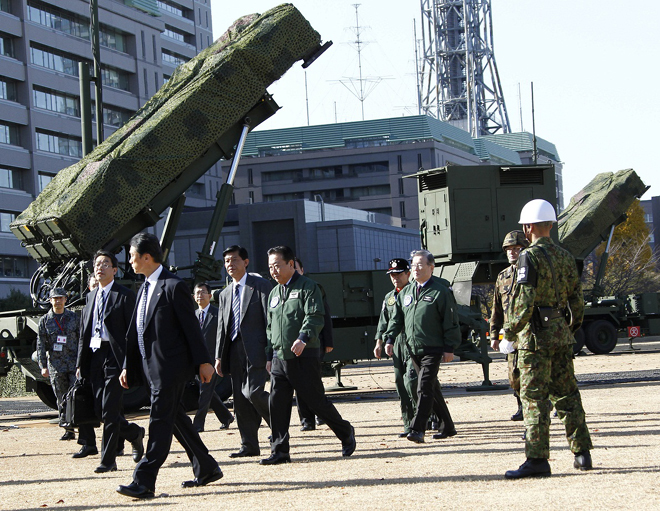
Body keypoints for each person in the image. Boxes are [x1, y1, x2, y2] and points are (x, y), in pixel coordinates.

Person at [118, 232, 222, 499]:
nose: (129, 261)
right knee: (175, 418)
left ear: (147, 257)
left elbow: (191, 329)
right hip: (149, 369)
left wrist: (204, 362)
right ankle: (207, 467)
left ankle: (144, 480)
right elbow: (136, 332)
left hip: (170, 370)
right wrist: (128, 366)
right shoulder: (144, 287)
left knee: (159, 422)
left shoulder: (174, 286)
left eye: (132, 256)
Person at [504, 199, 593, 479]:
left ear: (528, 228)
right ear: (551, 225)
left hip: (534, 339)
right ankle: (582, 453)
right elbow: (577, 302)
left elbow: (524, 299)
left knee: (534, 399)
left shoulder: (528, 257)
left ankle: (537, 459)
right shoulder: (566, 256)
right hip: (561, 335)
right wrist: (568, 329)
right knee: (568, 395)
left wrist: (509, 332)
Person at [262, 245, 355, 465]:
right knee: (277, 404)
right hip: (279, 357)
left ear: (291, 264)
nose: (273, 271)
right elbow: (270, 327)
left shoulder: (309, 287)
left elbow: (315, 315)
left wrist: (303, 338)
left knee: (315, 401)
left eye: (277, 266)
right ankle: (280, 451)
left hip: (303, 355)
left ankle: (345, 432)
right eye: (270, 267)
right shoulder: (274, 293)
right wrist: (269, 355)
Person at [75, 250, 145, 473]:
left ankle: (108, 460)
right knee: (100, 410)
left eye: (105, 264)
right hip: (95, 356)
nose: (100, 267)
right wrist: (80, 363)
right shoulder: (91, 297)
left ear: (114, 270)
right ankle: (134, 433)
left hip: (116, 357)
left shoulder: (124, 295)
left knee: (110, 409)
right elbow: (84, 333)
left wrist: (129, 363)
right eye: (97, 264)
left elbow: (134, 332)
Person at [384, 250, 461, 444]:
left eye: (420, 265)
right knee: (431, 388)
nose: (416, 269)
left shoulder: (440, 291)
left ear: (431, 267)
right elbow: (397, 319)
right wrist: (389, 339)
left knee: (423, 387)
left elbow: (451, 322)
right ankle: (447, 426)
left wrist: (449, 347)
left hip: (432, 348)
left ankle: (417, 429)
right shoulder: (407, 292)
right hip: (413, 348)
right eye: (413, 265)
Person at [215, 246, 272, 458]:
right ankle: (249, 445)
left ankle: (279, 424)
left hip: (257, 349)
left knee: (253, 393)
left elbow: (269, 320)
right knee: (239, 400)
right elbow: (222, 326)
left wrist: (271, 352)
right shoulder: (224, 293)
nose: (230, 264)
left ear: (246, 262)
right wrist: (218, 356)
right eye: (227, 261)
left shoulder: (261, 286)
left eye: (234, 260)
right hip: (233, 350)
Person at [374, 258, 418, 437]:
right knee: (401, 384)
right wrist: (379, 342)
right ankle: (409, 424)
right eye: (392, 275)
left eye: (399, 274)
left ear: (408, 274)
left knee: (413, 381)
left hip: (413, 341)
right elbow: (383, 321)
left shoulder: (415, 292)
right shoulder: (389, 297)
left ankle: (426, 416)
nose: (395, 278)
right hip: (396, 342)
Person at [490, 231, 529, 422]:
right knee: (514, 375)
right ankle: (521, 406)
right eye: (509, 249)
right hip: (510, 335)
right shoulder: (503, 276)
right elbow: (496, 308)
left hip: (529, 333)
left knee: (532, 373)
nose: (512, 252)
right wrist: (494, 335)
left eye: (516, 248)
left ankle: (539, 404)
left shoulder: (532, 272)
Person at [293, 256, 334, 431]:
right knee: (298, 382)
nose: (293, 272)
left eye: (296, 268)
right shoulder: (284, 290)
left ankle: (320, 414)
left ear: (302, 270)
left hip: (314, 343)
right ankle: (306, 420)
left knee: (313, 380)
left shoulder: (312, 287)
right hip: (293, 344)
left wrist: (328, 341)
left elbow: (324, 315)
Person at [37, 288, 80, 441]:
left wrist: (82, 362)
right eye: (55, 298)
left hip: (73, 364)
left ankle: (81, 425)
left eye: (61, 298)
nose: (58, 301)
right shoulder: (45, 321)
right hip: (56, 365)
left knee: (76, 396)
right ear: (50, 301)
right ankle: (68, 429)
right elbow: (41, 345)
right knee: (61, 398)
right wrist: (43, 366)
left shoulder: (74, 317)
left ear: (65, 300)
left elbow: (81, 340)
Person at [192, 282, 234, 432]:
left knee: (205, 391)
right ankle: (226, 417)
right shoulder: (192, 315)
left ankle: (198, 424)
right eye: (197, 293)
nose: (200, 295)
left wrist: (221, 357)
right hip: (197, 361)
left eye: (203, 292)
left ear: (210, 296)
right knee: (208, 391)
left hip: (214, 359)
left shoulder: (218, 314)